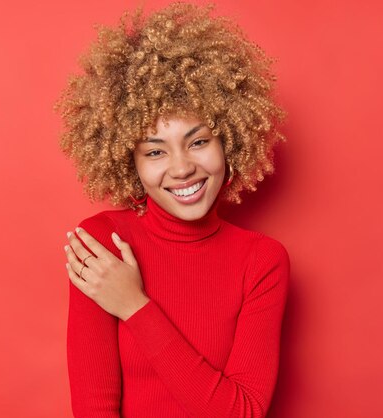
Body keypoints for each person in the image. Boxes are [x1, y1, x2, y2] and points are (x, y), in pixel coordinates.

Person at [54, 3, 290, 417]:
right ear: (131, 163)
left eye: (198, 142)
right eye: (155, 151)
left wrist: (134, 305)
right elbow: (94, 409)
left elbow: (243, 412)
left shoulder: (262, 261)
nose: (181, 168)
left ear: (228, 142)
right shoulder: (103, 245)